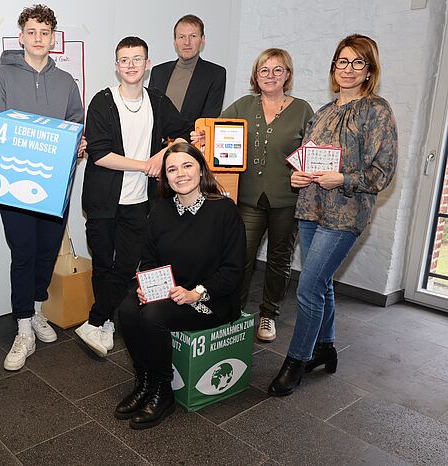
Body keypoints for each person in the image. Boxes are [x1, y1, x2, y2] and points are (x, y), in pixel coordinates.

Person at [268, 34, 397, 396]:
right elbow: (306, 160)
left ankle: (296, 361)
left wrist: (343, 177)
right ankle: (325, 348)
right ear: (333, 66)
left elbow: (383, 171)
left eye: (358, 63)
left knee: (308, 287)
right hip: (310, 209)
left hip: (345, 214)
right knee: (321, 283)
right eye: (342, 61)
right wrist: (297, 176)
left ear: (369, 70)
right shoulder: (323, 113)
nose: (348, 69)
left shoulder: (377, 110)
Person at [0, 4, 86, 371]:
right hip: (16, 187)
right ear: (21, 36)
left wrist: (79, 142)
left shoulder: (66, 81)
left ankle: (38, 309)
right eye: (32, 32)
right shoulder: (2, 76)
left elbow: (76, 123)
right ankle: (23, 327)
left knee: (46, 252)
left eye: (45, 33)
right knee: (23, 254)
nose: (38, 39)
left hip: (55, 188)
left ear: (53, 38)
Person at [115, 142, 245, 429]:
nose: (180, 174)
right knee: (127, 307)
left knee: (152, 316)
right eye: (172, 169)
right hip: (171, 292)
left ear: (200, 169)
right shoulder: (160, 211)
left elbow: (234, 270)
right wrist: (145, 284)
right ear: (165, 177)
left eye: (187, 166)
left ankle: (163, 392)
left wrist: (195, 293)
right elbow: (149, 259)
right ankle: (145, 381)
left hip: (211, 298)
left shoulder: (223, 210)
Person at [76, 36, 190, 357]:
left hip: (140, 202)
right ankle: (106, 322)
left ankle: (96, 321)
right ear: (116, 66)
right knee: (102, 265)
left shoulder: (157, 101)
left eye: (137, 59)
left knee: (126, 266)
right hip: (103, 202)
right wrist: (146, 164)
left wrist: (163, 153)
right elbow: (99, 153)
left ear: (147, 64)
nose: (130, 66)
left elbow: (184, 132)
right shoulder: (102, 101)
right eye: (124, 60)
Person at [219, 49, 313, 342]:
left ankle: (268, 315)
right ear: (255, 76)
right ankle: (232, 313)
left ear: (288, 74)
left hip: (287, 199)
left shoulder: (302, 110)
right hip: (249, 198)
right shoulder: (244, 105)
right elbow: (216, 130)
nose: (270, 76)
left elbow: (312, 153)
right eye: (264, 70)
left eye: (277, 70)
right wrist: (201, 136)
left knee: (279, 259)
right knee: (242, 257)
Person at [149, 14, 226, 126]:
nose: (187, 42)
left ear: (202, 39)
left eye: (193, 36)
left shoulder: (215, 74)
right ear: (175, 41)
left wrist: (182, 140)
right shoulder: (158, 72)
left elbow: (208, 120)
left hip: (191, 142)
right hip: (158, 142)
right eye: (181, 37)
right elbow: (150, 113)